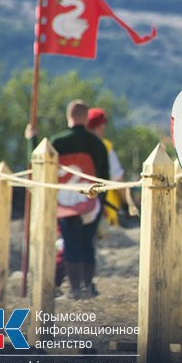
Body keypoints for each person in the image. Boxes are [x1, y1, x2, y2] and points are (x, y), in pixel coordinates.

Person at [47, 100, 109, 299]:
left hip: (66, 204)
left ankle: (75, 290)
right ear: (85, 118)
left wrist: (31, 140)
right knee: (87, 244)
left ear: (68, 117)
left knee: (71, 245)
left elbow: (39, 166)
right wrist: (101, 206)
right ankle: (88, 287)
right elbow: (104, 178)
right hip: (91, 205)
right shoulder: (97, 144)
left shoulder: (57, 143)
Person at [86, 107, 138, 227]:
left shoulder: (77, 146)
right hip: (104, 211)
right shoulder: (105, 147)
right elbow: (118, 181)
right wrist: (131, 205)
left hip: (76, 207)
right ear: (100, 127)